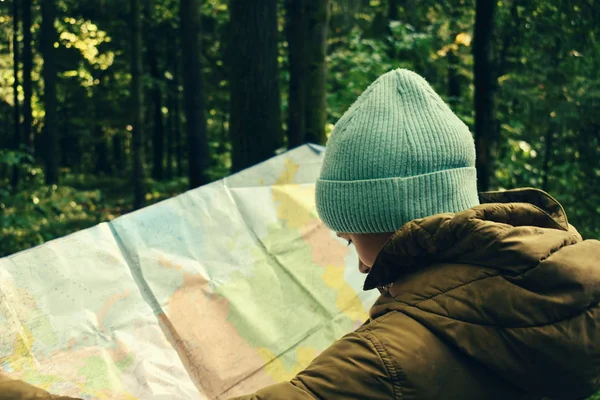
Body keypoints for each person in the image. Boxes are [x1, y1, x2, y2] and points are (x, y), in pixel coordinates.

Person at [231, 69, 600, 399]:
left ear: (390, 223)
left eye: (349, 238)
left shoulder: (382, 360)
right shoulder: (560, 291)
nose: (361, 267)